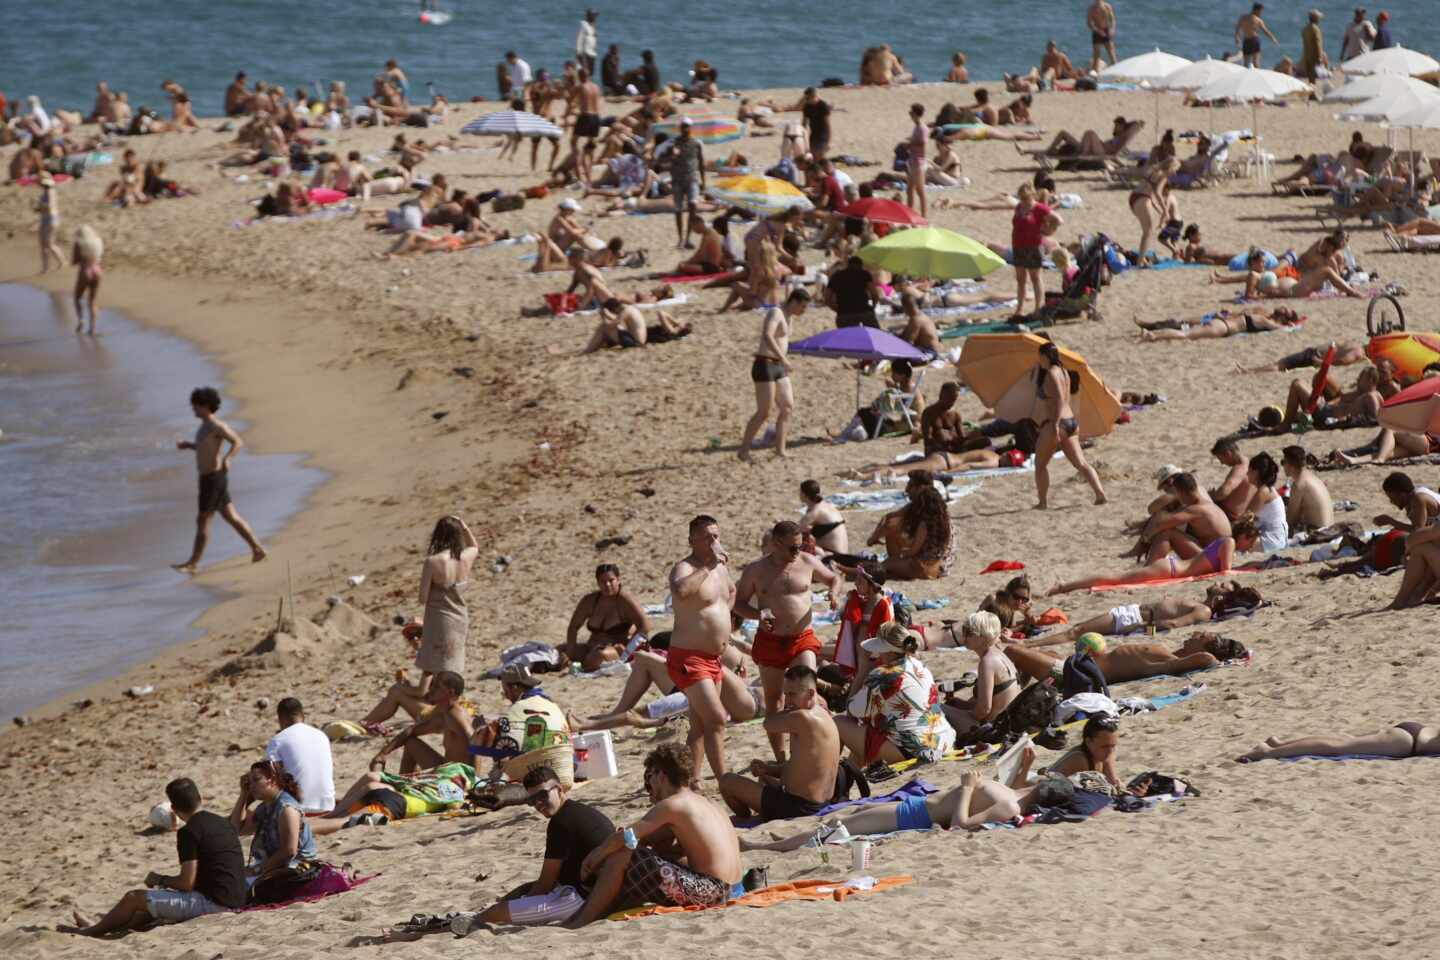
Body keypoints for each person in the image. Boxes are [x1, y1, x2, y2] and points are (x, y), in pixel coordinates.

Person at [566, 744, 742, 926]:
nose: (649, 785)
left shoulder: (673, 804)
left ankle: (580, 920)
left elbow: (627, 837)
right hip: (735, 888)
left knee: (623, 857)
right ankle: (593, 912)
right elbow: (659, 843)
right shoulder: (707, 802)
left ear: (661, 775)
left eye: (649, 777)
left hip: (713, 892)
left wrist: (596, 856)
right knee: (645, 855)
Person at [58, 777, 245, 936]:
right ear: (199, 798)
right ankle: (101, 926)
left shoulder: (189, 832)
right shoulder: (221, 822)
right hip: (236, 898)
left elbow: (187, 882)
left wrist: (159, 879)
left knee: (133, 897)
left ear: (173, 807)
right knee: (149, 907)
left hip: (216, 905)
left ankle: (88, 933)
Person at [446, 766, 614, 933]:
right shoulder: (576, 812)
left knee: (495, 913)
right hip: (601, 890)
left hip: (584, 901)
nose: (538, 804)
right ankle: (483, 913)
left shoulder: (561, 823)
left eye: (542, 795)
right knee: (523, 891)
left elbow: (545, 884)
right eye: (532, 800)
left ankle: (470, 921)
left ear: (559, 789)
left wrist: (520, 905)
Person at [741, 763, 1066, 847]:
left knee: (836, 830)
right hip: (917, 803)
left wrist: (967, 789)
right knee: (850, 814)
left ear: (1043, 786)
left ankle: (761, 846)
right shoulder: (1019, 792)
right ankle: (783, 842)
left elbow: (960, 825)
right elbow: (1019, 785)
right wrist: (1026, 763)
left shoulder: (1011, 809)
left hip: (913, 816)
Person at [735, 520, 841, 760]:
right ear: (775, 544)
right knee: (775, 700)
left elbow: (834, 578)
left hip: (801, 637)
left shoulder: (806, 561)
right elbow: (738, 604)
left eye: (799, 546)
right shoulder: (756, 570)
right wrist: (758, 615)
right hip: (770, 640)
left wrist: (833, 593)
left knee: (805, 692)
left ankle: (808, 749)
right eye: (792, 547)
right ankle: (781, 756)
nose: (797, 552)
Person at [718, 665, 840, 822]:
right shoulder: (824, 714)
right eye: (785, 694)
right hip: (819, 801)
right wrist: (770, 770)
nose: (787, 701)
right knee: (764, 778)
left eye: (791, 694)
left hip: (798, 807)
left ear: (810, 693)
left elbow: (768, 723)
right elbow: (802, 765)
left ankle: (745, 819)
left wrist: (779, 704)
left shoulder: (802, 718)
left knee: (727, 782)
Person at [667, 515, 736, 787]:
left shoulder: (720, 568)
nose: (714, 542)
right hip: (689, 657)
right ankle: (725, 781)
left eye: (716, 536)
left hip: (713, 657)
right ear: (692, 540)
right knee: (717, 719)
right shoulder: (684, 567)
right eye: (707, 537)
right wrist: (707, 567)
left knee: (699, 726)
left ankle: (690, 781)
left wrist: (722, 620)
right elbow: (681, 591)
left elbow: (730, 592)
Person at [171, 387, 266, 573]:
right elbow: (204, 448)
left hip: (213, 479)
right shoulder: (204, 427)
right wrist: (188, 445)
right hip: (209, 478)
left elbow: (237, 441)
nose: (193, 410)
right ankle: (257, 549)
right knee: (231, 516)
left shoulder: (216, 426)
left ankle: (192, 563)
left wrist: (228, 458)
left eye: (196, 406)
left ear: (206, 406)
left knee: (203, 519)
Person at [834, 622, 956, 765]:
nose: (878, 654)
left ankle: (830, 778)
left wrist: (862, 672)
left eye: (880, 649)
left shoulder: (883, 674)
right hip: (943, 741)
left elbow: (852, 710)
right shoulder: (919, 666)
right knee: (869, 729)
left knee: (838, 723)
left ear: (890, 652)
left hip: (916, 750)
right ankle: (847, 776)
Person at [1047, 515, 1261, 594]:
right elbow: (1225, 571)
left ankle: (1065, 586)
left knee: (1117, 578)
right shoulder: (1229, 541)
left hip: (1173, 567)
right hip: (1171, 570)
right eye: (1250, 543)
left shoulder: (1225, 540)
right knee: (1115, 579)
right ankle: (1064, 587)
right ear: (1245, 536)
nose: (1248, 548)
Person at [1034, 581, 1261, 644]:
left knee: (1077, 631)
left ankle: (1031, 645)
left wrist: (1139, 629)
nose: (1218, 583)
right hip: (1132, 613)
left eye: (1224, 586)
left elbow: (1173, 625)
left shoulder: (1203, 610)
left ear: (1221, 597)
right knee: (1078, 630)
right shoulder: (1200, 603)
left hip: (1134, 618)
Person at [739, 288, 810, 462]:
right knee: (764, 412)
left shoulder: (789, 316)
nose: (804, 311)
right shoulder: (775, 312)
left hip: (779, 366)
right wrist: (783, 358)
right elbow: (768, 335)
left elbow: (782, 340)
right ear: (793, 301)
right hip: (765, 364)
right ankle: (743, 451)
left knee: (787, 407)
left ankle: (780, 449)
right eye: (802, 307)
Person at [1007, 632, 1249, 683]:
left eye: (1201, 635)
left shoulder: (1169, 662)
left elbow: (1208, 660)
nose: (1194, 633)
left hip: (1075, 675)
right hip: (1073, 665)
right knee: (1044, 654)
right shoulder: (1169, 654)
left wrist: (1225, 655)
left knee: (1012, 651)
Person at [1034, 341, 1107, 510]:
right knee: (1081, 463)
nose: (1038, 359)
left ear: (1045, 356)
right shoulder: (1064, 372)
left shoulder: (1052, 373)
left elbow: (1059, 398)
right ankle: (1099, 493)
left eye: (1040, 356)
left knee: (1040, 465)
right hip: (1071, 422)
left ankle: (1042, 502)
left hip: (1057, 423)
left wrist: (1055, 423)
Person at [231, 759, 318, 888]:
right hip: (274, 867)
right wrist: (243, 794)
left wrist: (257, 870)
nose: (251, 786)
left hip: (297, 869)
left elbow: (289, 851)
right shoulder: (266, 807)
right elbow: (237, 829)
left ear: (271, 780)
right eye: (250, 782)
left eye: (256, 780)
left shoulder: (287, 808)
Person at [369, 670, 473, 773]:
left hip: (457, 776)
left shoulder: (455, 715)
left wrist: (474, 780)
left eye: (436, 687)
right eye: (432, 685)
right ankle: (404, 782)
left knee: (410, 743)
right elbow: (411, 731)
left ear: (450, 692)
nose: (430, 689)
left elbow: (474, 744)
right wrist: (383, 753)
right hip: (447, 767)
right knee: (411, 743)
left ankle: (404, 782)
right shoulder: (444, 713)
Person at [941, 612, 1021, 734]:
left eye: (969, 633)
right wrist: (962, 705)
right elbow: (995, 700)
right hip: (1007, 722)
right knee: (953, 705)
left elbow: (983, 710)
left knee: (935, 708)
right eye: (964, 631)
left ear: (984, 636)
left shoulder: (987, 662)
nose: (964, 636)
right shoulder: (999, 654)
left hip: (992, 729)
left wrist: (964, 713)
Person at [1130, 471, 1232, 563]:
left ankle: (1150, 568)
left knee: (1167, 533)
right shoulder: (1208, 504)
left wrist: (1144, 542)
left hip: (1214, 559)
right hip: (1224, 555)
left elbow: (1160, 525)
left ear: (1181, 492)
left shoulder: (1195, 509)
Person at [564, 564, 650, 671]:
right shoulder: (590, 601)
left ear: (618, 580)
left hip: (615, 649)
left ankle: (582, 667)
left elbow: (645, 626)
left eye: (611, 580)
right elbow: (573, 627)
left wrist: (629, 650)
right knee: (560, 651)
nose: (607, 585)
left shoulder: (625, 601)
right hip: (591, 646)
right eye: (603, 581)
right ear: (598, 583)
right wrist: (570, 653)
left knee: (598, 655)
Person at [826, 560, 893, 684]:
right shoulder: (864, 602)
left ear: (873, 586)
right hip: (863, 651)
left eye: (860, 581)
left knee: (860, 676)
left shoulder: (883, 603)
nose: (855, 583)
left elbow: (886, 632)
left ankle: (851, 700)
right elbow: (848, 619)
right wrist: (851, 602)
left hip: (872, 656)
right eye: (856, 579)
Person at [264, 697, 335, 814]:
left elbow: (271, 776)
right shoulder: (321, 735)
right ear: (303, 716)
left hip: (296, 809)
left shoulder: (278, 740)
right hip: (327, 805)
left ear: (280, 719)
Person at [1239, 721, 1440, 762]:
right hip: (1406, 742)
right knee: (1339, 747)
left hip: (1414, 729)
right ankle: (1267, 752)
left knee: (1344, 741)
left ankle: (1280, 743)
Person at [1011, 183, 1054, 317]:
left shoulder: (1039, 208)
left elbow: (1057, 219)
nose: (1023, 201)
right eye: (1021, 198)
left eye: (1025, 198)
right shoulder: (1018, 207)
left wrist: (1048, 231)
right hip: (1018, 245)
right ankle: (1019, 309)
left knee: (1035, 277)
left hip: (1034, 246)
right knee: (1020, 279)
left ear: (1031, 196)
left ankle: (1037, 308)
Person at [1049, 716, 1122, 786]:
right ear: (1088, 742)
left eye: (1113, 746)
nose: (1110, 751)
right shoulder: (1079, 760)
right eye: (1105, 746)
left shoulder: (1105, 753)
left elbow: (1113, 781)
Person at [669, 117, 706, 247]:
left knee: (692, 207)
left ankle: (688, 238)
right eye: (683, 126)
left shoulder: (696, 144)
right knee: (678, 210)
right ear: (680, 128)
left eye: (687, 126)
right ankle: (680, 238)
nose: (685, 129)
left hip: (692, 180)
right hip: (678, 180)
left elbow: (701, 163)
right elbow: (666, 161)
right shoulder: (674, 143)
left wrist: (704, 183)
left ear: (691, 128)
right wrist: (673, 155)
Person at [1282, 445, 1334, 532]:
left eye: (1283, 462)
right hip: (1329, 529)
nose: (1283, 466)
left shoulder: (1299, 484)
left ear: (1290, 465)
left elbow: (1290, 520)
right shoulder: (1311, 477)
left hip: (1319, 533)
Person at [1376, 471, 1440, 533]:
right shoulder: (1409, 499)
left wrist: (1391, 521)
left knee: (1409, 541)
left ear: (1402, 494)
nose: (1392, 502)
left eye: (1393, 498)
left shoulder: (1419, 499)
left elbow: (1418, 531)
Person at [825, 255, 878, 328]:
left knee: (848, 338)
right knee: (875, 335)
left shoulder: (836, 276)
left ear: (848, 265)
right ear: (860, 265)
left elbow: (827, 298)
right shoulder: (864, 274)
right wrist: (873, 306)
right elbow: (874, 294)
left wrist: (837, 309)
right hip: (864, 311)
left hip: (844, 314)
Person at [800, 479, 849, 554]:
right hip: (843, 553)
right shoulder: (826, 506)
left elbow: (795, 533)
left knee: (801, 543)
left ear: (804, 494)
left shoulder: (814, 512)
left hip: (833, 555)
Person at [71, 224, 103, 335]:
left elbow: (74, 261)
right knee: (92, 301)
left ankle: (81, 320)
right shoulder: (98, 240)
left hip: (85, 270)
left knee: (77, 298)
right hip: (97, 270)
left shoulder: (79, 243)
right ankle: (92, 329)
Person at [34, 172, 64, 273]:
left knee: (50, 244)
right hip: (45, 219)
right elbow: (43, 208)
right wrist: (38, 207)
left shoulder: (51, 191)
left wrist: (40, 205)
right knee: (43, 245)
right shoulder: (45, 191)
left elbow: (50, 206)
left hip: (51, 219)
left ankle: (62, 262)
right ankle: (45, 268)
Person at [1235, 3, 1280, 67]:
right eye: (1260, 11)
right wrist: (1236, 37)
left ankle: (1256, 75)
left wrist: (1273, 38)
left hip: (1252, 40)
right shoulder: (1248, 18)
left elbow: (1265, 31)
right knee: (1247, 62)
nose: (1260, 13)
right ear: (1256, 10)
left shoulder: (1245, 18)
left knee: (1254, 62)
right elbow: (1238, 28)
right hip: (1250, 41)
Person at [905, 103, 927, 217]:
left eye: (911, 112)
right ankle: (910, 213)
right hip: (913, 160)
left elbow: (922, 143)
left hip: (918, 162)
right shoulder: (917, 127)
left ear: (915, 114)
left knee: (919, 190)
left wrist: (910, 144)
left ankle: (924, 215)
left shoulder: (922, 128)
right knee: (909, 190)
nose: (910, 114)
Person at [1299, 10, 1330, 82]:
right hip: (1314, 56)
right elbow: (1317, 43)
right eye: (1318, 18)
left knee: (1310, 76)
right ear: (1316, 18)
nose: (1319, 20)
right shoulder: (1315, 29)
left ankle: (1312, 91)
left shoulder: (1305, 29)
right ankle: (1313, 91)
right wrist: (1319, 57)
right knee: (1316, 76)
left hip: (1306, 55)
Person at [802, 87, 833, 159]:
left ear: (814, 96)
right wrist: (803, 137)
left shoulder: (823, 105)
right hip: (813, 133)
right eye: (806, 99)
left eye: (808, 99)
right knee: (812, 155)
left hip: (823, 134)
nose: (806, 100)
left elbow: (828, 124)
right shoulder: (807, 106)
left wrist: (829, 142)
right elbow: (804, 123)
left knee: (820, 155)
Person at [1087, 0, 1118, 71]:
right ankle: (1095, 75)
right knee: (1096, 56)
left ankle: (1116, 72)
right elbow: (1089, 23)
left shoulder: (1107, 6)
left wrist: (1112, 29)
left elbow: (1112, 19)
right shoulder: (1091, 8)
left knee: (1111, 54)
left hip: (1106, 30)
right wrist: (1097, 30)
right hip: (1097, 32)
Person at [576, 9, 598, 76]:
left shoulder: (592, 26)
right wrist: (579, 54)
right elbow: (579, 39)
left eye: (595, 16)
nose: (595, 18)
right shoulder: (584, 25)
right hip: (585, 54)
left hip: (592, 54)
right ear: (589, 16)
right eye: (593, 16)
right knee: (585, 73)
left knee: (590, 74)